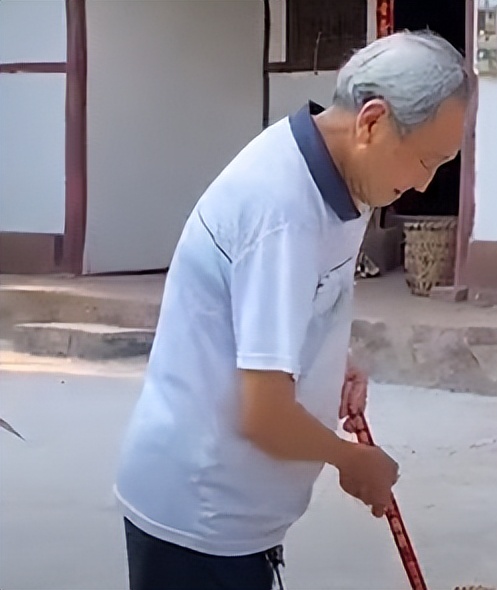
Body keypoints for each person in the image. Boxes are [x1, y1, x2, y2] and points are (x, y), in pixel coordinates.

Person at [113, 30, 473, 590]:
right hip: (198, 517)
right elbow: (263, 416)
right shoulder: (282, 212)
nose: (425, 184)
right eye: (426, 160)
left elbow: (289, 305)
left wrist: (328, 359)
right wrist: (352, 462)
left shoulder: (338, 177)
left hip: (238, 517)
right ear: (372, 122)